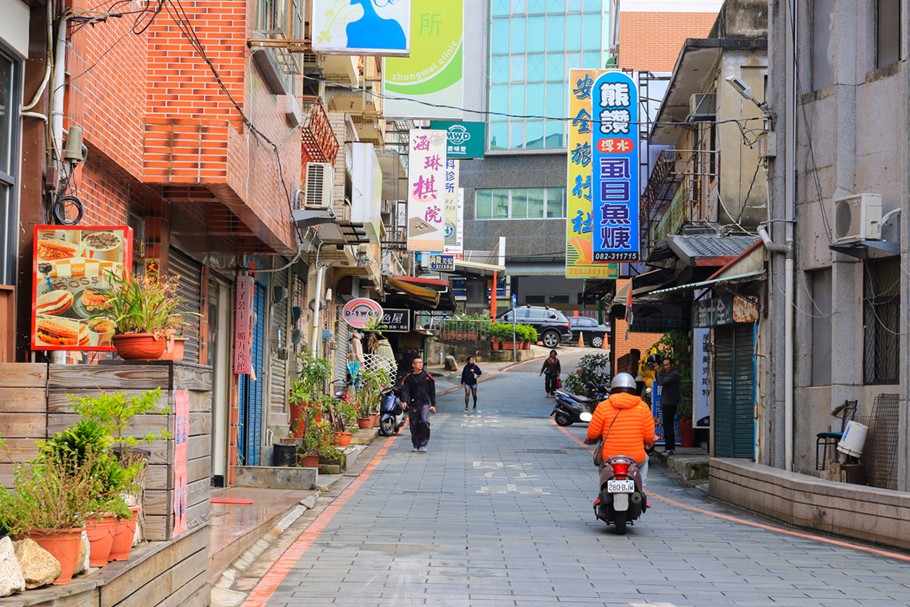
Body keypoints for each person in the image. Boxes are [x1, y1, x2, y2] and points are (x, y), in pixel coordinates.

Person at [584, 372, 656, 484]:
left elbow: (592, 434)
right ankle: (641, 487)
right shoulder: (643, 407)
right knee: (645, 459)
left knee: (602, 468)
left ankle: (603, 490)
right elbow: (649, 437)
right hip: (636, 456)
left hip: (609, 456)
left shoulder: (603, 406)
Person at [400, 356, 436, 452]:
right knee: (414, 424)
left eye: (421, 362)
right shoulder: (408, 378)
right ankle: (416, 444)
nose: (420, 364)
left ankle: (423, 444)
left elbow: (432, 392)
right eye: (417, 363)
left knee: (424, 421)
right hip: (413, 404)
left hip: (425, 403)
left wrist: (433, 405)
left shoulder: (428, 377)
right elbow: (405, 390)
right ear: (413, 365)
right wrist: (404, 401)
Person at [654, 356, 681, 455]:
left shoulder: (674, 374)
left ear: (672, 364)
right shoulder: (669, 374)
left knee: (668, 426)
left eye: (667, 365)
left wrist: (658, 372)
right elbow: (660, 381)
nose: (665, 367)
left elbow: (662, 382)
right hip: (666, 403)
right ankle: (668, 447)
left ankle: (671, 448)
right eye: (664, 365)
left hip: (670, 403)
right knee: (666, 426)